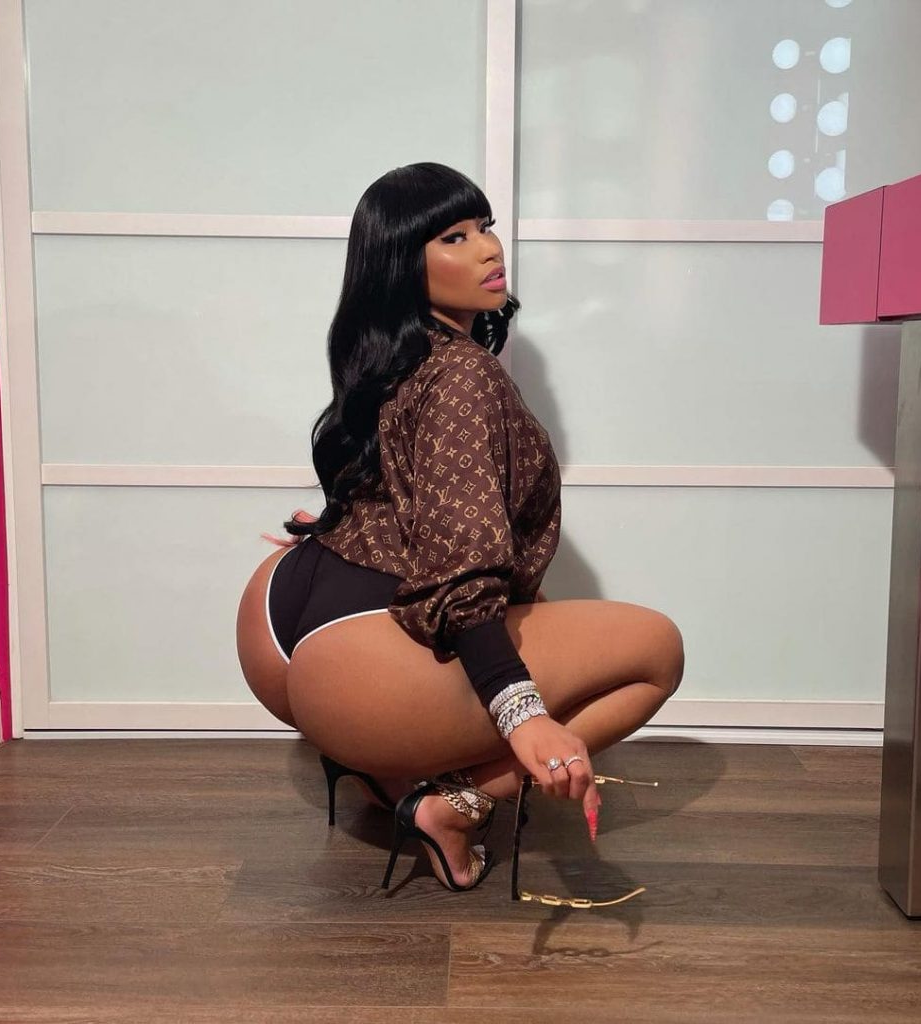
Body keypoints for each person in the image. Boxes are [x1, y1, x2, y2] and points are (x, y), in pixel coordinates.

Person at [235, 162, 685, 892]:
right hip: (358, 664)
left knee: (532, 615)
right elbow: (464, 566)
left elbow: (395, 480)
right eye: (453, 236)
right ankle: (455, 807)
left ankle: (386, 771)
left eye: (485, 227)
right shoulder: (464, 375)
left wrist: (334, 524)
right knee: (656, 649)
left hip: (279, 614)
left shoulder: (398, 353)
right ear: (401, 267)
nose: (487, 249)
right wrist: (523, 715)